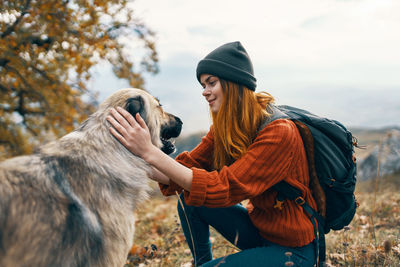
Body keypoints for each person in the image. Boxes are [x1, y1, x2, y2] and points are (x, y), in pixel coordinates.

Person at [107, 41, 317, 266]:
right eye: (203, 85)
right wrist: (131, 154)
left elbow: (222, 188)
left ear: (234, 82)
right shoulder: (229, 126)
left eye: (211, 83)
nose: (204, 92)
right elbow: (187, 170)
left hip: (294, 251)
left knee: (197, 188)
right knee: (190, 198)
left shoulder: (279, 133)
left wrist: (149, 151)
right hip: (260, 232)